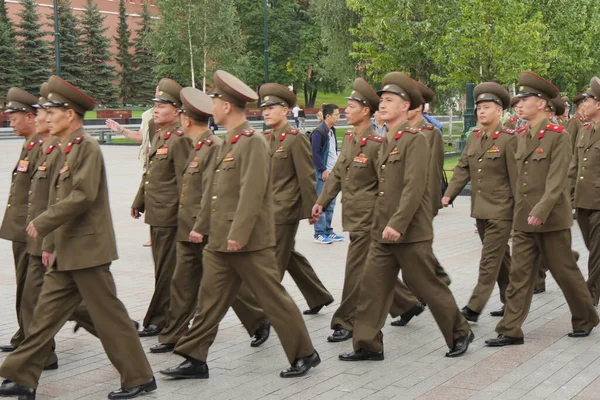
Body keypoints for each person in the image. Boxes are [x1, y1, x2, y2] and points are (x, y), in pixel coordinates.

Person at [0, 75, 156, 400]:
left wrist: (43, 223)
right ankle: (22, 378)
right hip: (67, 250)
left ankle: (139, 377)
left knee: (110, 318)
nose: (45, 118)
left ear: (69, 114)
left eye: (51, 112)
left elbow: (83, 195)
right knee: (42, 318)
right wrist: (51, 244)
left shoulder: (87, 148)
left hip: (89, 251)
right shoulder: (63, 149)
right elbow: (58, 198)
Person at [160, 70, 319, 380]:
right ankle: (194, 358)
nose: (212, 106)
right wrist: (201, 225)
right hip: (220, 239)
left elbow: (253, 192)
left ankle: (304, 353)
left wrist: (239, 234)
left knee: (273, 298)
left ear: (227, 106)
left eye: (215, 100)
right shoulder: (226, 143)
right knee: (209, 301)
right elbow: (214, 191)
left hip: (247, 242)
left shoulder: (252, 142)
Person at [338, 72, 472, 361]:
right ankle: (367, 344)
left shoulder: (416, 140)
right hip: (382, 228)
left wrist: (398, 224)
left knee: (429, 286)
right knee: (373, 287)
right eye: (381, 100)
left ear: (406, 106)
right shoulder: (386, 139)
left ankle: (460, 332)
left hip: (409, 230)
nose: (382, 105)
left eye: (389, 101)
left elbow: (415, 187)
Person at [149, 87, 269, 353]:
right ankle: (174, 335)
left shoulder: (214, 145)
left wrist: (202, 225)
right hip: (188, 225)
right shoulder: (196, 144)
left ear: (186, 119)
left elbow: (212, 191)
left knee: (224, 285)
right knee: (184, 283)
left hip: (204, 227)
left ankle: (259, 319)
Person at [485, 72, 599, 348]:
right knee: (519, 275)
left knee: (565, 273)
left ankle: (585, 317)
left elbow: (558, 178)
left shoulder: (557, 136)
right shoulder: (521, 135)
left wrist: (542, 208)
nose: (519, 105)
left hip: (550, 220)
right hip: (525, 218)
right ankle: (510, 329)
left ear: (542, 103)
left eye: (525, 100)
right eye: (517, 101)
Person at [256, 83, 333, 315]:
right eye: (264, 108)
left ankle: (263, 314)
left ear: (286, 111)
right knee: (288, 256)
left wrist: (312, 209)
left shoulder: (295, 138)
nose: (266, 112)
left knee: (271, 264)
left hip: (285, 211)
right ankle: (317, 295)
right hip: (268, 210)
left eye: (272, 107)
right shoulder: (266, 138)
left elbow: (307, 176)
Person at [443, 82, 516, 321]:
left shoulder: (509, 139)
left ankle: (474, 307)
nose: (481, 112)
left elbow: (516, 179)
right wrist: (447, 195)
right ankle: (511, 301)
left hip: (502, 210)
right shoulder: (474, 137)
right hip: (481, 210)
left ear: (500, 111)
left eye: (486, 107)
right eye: (479, 108)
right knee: (502, 260)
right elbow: (463, 168)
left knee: (489, 260)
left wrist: (520, 213)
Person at [132, 78, 192, 337]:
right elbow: (151, 173)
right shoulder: (160, 135)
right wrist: (139, 201)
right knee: (164, 269)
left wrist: (185, 218)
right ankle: (166, 316)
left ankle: (161, 319)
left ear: (177, 110)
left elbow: (185, 181)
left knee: (168, 271)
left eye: (163, 105)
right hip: (156, 214)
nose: (156, 109)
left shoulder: (179, 139)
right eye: (155, 104)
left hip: (170, 216)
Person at [0, 88, 43, 354]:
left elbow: (38, 194)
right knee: (26, 287)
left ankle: (39, 348)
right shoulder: (29, 143)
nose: (10, 122)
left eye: (14, 118)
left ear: (29, 116)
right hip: (21, 229)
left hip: (31, 230)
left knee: (32, 290)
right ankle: (25, 336)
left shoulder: (38, 146)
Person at [569, 77, 600, 306]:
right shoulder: (584, 130)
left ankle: (588, 303)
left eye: (587, 99)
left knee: (597, 256)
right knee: (594, 250)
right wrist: (568, 197)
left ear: (598, 103)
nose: (583, 104)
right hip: (582, 202)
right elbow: (574, 167)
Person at [310, 104, 344, 244]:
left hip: (332, 174)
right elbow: (314, 154)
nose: (338, 117)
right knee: (321, 203)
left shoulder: (332, 131)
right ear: (328, 116)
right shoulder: (319, 132)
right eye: (336, 115)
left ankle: (328, 230)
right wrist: (323, 169)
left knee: (330, 204)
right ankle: (319, 233)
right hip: (323, 174)